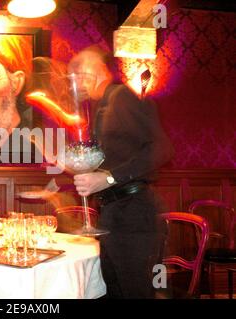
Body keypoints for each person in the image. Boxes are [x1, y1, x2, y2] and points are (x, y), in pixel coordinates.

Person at [68, 45, 174, 298]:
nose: (77, 80)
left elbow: (162, 148)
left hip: (134, 214)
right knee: (113, 290)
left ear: (100, 71)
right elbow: (113, 159)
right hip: (114, 213)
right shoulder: (102, 108)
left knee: (134, 292)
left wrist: (107, 177)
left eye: (81, 71)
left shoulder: (122, 97)